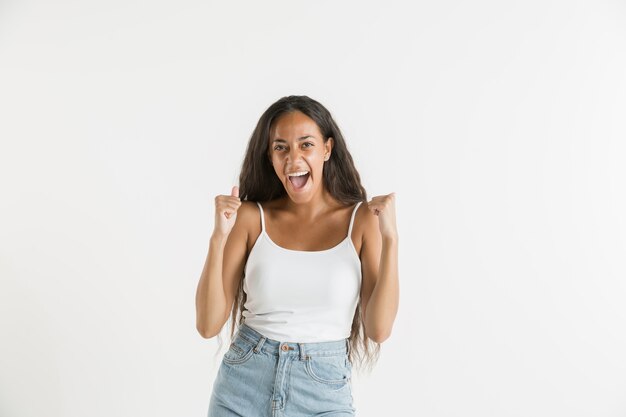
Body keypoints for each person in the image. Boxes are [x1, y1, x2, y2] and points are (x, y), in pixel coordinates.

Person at [195, 95, 399, 416]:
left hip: (322, 392)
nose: (293, 159)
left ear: (327, 149)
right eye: (281, 147)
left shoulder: (360, 221)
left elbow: (378, 330)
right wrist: (218, 237)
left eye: (306, 145)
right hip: (242, 386)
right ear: (270, 157)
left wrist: (391, 239)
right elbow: (208, 326)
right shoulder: (251, 218)